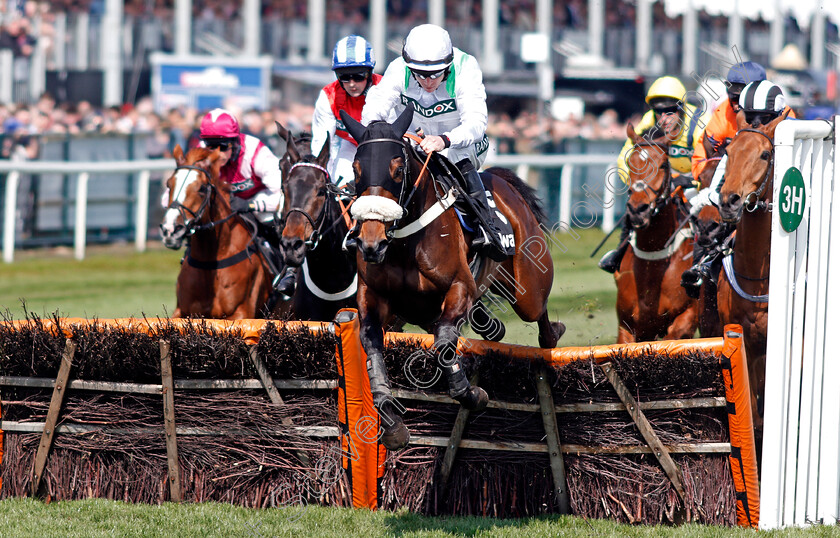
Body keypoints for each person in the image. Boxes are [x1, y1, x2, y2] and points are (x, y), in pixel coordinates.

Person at [360, 23, 509, 261]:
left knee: (455, 159)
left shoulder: (466, 67)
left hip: (460, 144)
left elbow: (476, 123)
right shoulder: (398, 69)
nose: (428, 81)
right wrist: (389, 134)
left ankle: (487, 227)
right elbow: (373, 111)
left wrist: (444, 140)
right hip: (415, 143)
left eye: (435, 74)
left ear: (448, 66)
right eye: (420, 74)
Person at [162, 108, 296, 297]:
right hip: (224, 209)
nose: (217, 153)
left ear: (235, 142)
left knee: (266, 217)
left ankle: (286, 272)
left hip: (260, 202)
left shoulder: (256, 152)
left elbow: (285, 196)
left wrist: (249, 205)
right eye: (211, 146)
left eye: (223, 146)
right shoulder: (200, 153)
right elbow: (168, 196)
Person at [680, 80, 795, 297]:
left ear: (779, 115)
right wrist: (715, 197)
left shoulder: (794, 128)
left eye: (765, 118)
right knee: (709, 224)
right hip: (748, 209)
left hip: (789, 211)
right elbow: (721, 177)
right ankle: (701, 266)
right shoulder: (741, 138)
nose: (756, 124)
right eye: (750, 118)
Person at [598, 76, 707, 273]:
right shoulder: (649, 120)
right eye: (658, 111)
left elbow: (710, 165)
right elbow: (625, 159)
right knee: (636, 205)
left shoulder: (700, 123)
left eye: (670, 111)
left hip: (695, 184)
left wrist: (692, 181)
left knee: (707, 215)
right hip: (662, 183)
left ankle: (704, 265)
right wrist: (638, 186)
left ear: (681, 108)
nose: (663, 117)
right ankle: (620, 255)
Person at [311, 35, 382, 187]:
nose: (351, 84)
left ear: (370, 73)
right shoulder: (328, 97)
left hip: (385, 147)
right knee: (340, 183)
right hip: (351, 145)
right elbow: (322, 145)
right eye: (344, 77)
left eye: (358, 76)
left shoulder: (385, 89)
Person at [690, 62, 766, 182]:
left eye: (739, 99)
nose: (735, 106)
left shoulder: (782, 114)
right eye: (732, 97)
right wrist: (704, 176)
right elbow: (702, 158)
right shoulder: (723, 111)